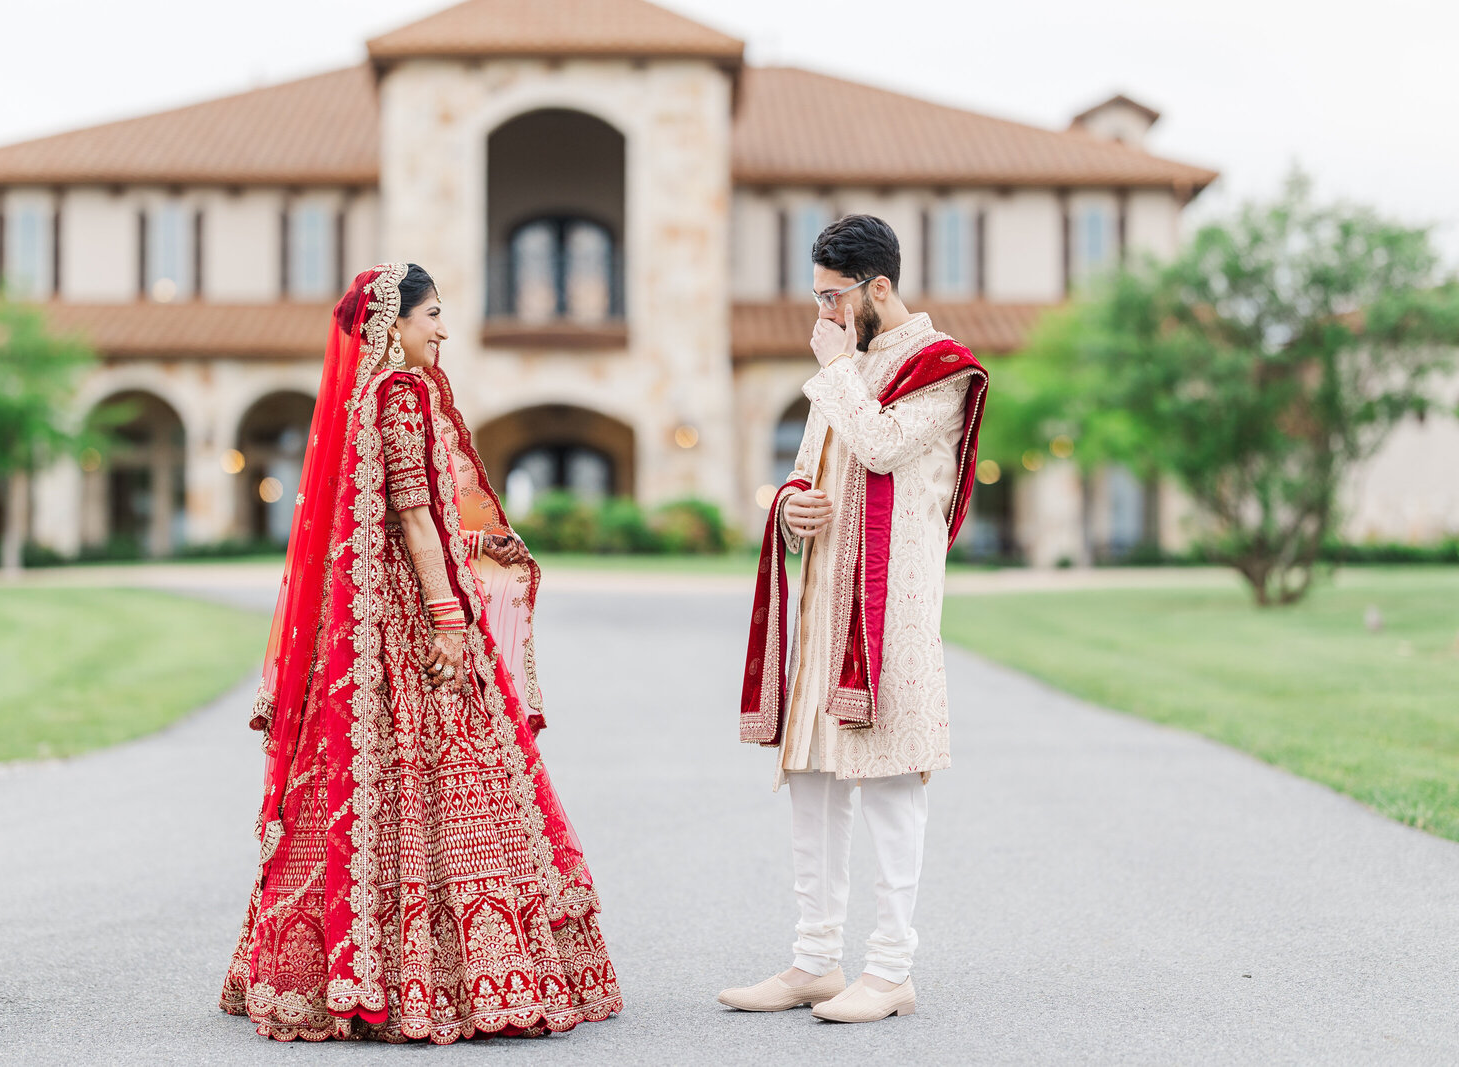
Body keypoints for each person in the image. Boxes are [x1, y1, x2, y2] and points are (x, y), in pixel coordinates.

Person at [221, 262, 622, 1044]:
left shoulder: (365, 399)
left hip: (371, 623)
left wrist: (474, 541)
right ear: (392, 324)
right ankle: (451, 979)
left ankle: (328, 970)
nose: (442, 329)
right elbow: (409, 516)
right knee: (457, 765)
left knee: (366, 781)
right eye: (432, 314)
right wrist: (447, 615)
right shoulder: (402, 394)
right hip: (413, 625)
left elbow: (407, 520)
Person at [721, 216, 988, 1023]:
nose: (825, 316)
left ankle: (891, 966)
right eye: (817, 298)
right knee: (811, 773)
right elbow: (812, 468)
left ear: (879, 287)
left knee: (891, 776)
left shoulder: (941, 370)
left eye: (835, 297)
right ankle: (814, 958)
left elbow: (877, 446)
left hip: (893, 605)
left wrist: (837, 370)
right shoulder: (847, 361)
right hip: (826, 597)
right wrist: (791, 506)